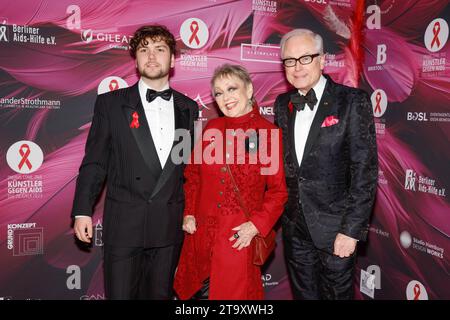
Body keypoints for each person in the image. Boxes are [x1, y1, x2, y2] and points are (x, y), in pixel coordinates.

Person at [71, 25, 198, 299]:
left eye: (160, 49)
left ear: (173, 59)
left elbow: (188, 168)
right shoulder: (111, 104)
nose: (151, 57)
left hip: (167, 227)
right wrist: (82, 209)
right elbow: (95, 162)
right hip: (124, 227)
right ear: (136, 59)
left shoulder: (189, 108)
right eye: (144, 50)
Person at [274, 29, 378, 300]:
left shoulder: (352, 101)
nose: (297, 67)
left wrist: (351, 231)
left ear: (322, 60)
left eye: (305, 58)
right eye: (289, 61)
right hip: (295, 229)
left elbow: (364, 171)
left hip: (336, 230)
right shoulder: (282, 104)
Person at [174, 64, 287, 300]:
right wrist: (189, 212)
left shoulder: (267, 134)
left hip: (237, 239)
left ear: (249, 89)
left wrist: (256, 225)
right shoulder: (212, 128)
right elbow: (193, 174)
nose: (225, 97)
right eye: (218, 92)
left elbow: (278, 192)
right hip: (201, 236)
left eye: (231, 88)